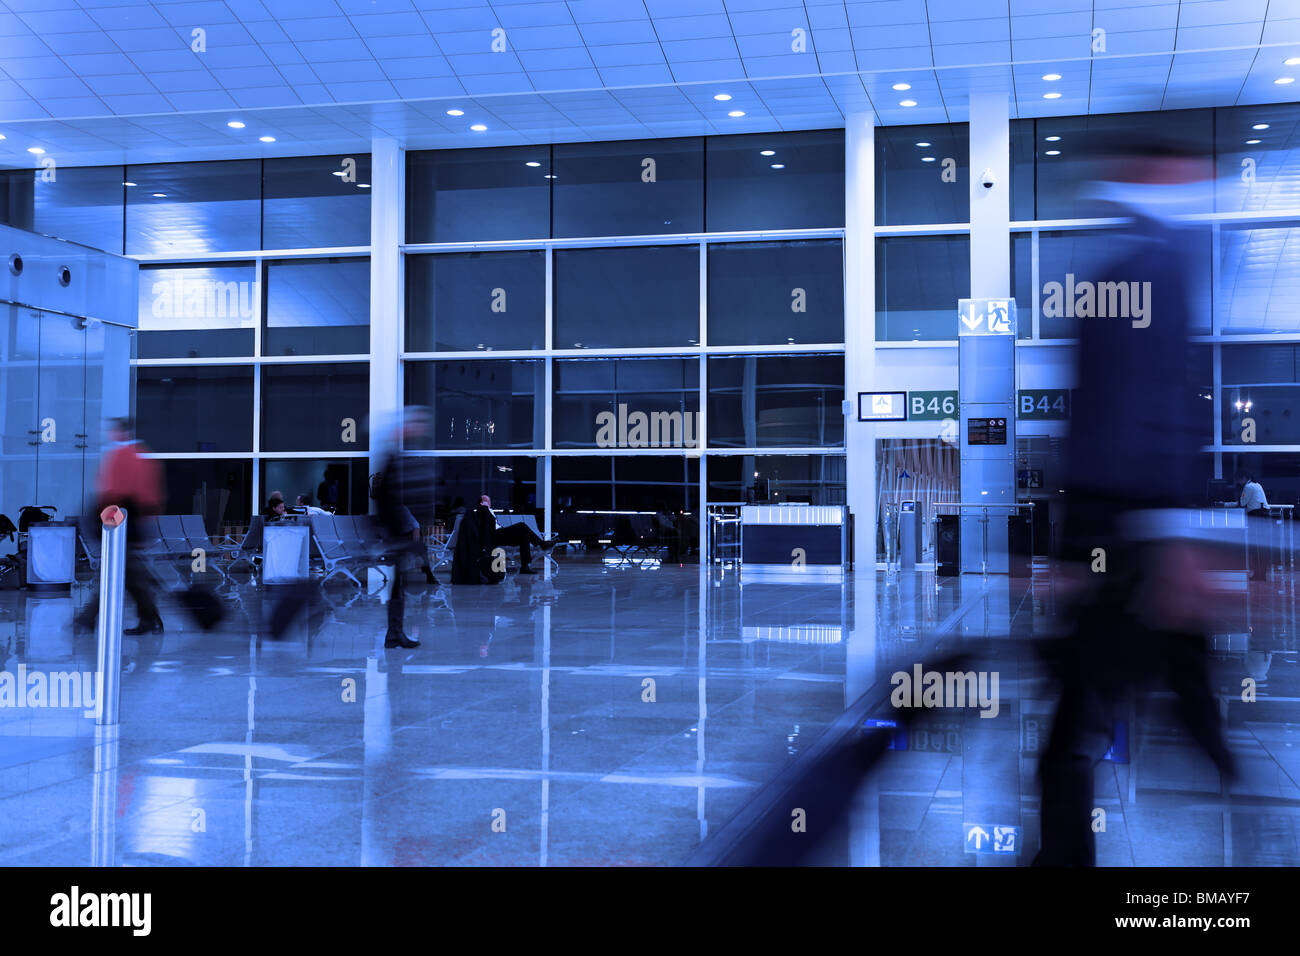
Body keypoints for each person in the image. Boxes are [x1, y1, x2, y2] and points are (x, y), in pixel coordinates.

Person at [1035, 139, 1235, 866]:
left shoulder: (1144, 269)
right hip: (1129, 527)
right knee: (1110, 697)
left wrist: (1099, 543)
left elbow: (1132, 420)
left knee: (1080, 717)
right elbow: (1126, 418)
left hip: (1124, 530)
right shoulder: (1149, 267)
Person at [75, 418, 165, 635]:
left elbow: (115, 494)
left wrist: (107, 523)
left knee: (118, 575)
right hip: (127, 526)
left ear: (120, 432)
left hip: (121, 527)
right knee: (130, 577)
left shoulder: (124, 456)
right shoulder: (138, 456)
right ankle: (148, 620)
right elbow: (150, 498)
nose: (109, 434)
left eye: (112, 430)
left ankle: (87, 619)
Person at [374, 408, 438, 648]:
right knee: (399, 582)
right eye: (417, 424)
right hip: (396, 534)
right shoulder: (391, 457)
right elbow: (385, 499)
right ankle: (394, 633)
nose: (421, 428)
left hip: (399, 532)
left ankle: (394, 633)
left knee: (399, 583)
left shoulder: (397, 457)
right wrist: (393, 533)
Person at [478, 495, 554, 575]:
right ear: (481, 503)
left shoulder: (490, 511)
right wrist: (484, 508)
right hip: (494, 535)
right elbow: (485, 525)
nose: (489, 503)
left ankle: (525, 567)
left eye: (489, 501)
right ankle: (542, 544)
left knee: (524, 536)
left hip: (500, 534)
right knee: (521, 525)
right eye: (486, 501)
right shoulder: (481, 511)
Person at [1236, 470, 1271, 581]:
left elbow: (1242, 503)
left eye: (1238, 479)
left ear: (1244, 478)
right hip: (1263, 516)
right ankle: (1262, 575)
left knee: (1255, 547)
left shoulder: (1248, 487)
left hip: (1256, 516)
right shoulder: (1257, 485)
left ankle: (1257, 575)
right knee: (1262, 547)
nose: (1238, 482)